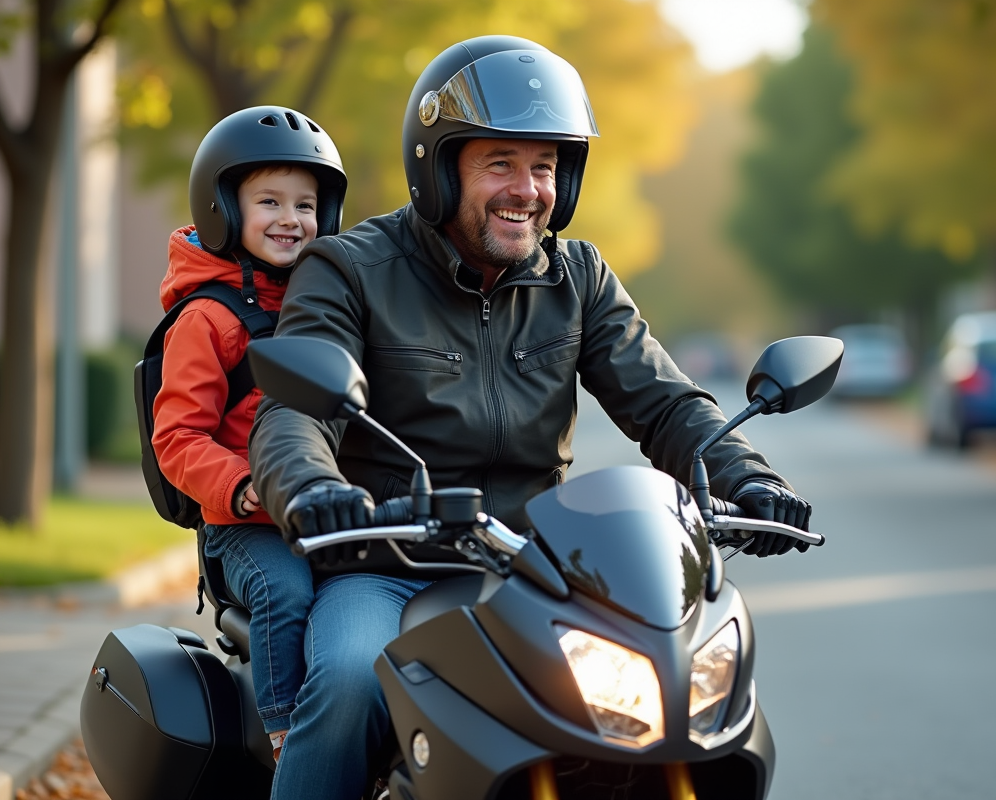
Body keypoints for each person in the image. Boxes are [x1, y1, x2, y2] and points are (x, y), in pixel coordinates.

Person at [248, 36, 811, 800]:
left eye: (545, 166)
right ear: (440, 171)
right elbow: (292, 413)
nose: (528, 190)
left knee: (658, 694)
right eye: (501, 164)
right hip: (386, 565)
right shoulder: (351, 269)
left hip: (536, 570)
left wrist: (747, 478)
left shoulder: (577, 278)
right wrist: (313, 487)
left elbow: (666, 400)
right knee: (351, 681)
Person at [151, 105, 348, 762]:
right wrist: (241, 488)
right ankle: (290, 737)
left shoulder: (321, 303)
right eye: (269, 200)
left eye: (306, 203)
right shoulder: (208, 318)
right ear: (223, 208)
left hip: (327, 513)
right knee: (286, 591)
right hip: (244, 526)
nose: (291, 218)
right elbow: (177, 438)